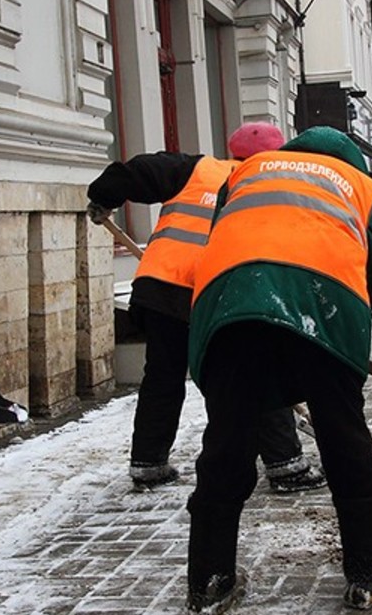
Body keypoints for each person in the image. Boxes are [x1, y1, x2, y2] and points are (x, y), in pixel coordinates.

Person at [183, 125, 372, 613]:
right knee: (342, 434)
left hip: (231, 308)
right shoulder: (362, 189)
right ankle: (370, 572)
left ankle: (209, 579)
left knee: (228, 441)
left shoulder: (246, 175)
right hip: (323, 307)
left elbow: (232, 243)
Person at [86, 123, 328, 495]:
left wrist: (103, 198)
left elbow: (137, 171)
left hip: (161, 289)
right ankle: (286, 465)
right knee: (258, 370)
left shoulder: (196, 169)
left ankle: (149, 463)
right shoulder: (276, 185)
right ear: (279, 156)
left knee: (163, 378)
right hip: (221, 293)